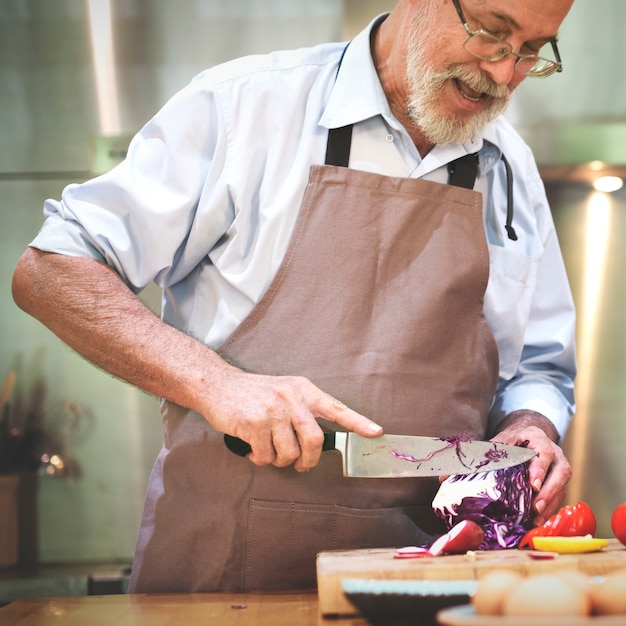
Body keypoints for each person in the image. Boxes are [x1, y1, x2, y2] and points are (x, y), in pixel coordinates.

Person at [12, 0, 576, 593]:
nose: (506, 72)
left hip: (433, 582)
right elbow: (52, 268)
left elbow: (538, 364)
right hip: (225, 580)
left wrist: (531, 424)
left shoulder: (511, 168)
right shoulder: (244, 108)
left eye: (534, 50)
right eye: (492, 33)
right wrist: (216, 382)